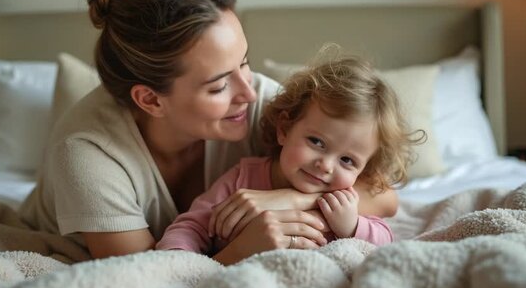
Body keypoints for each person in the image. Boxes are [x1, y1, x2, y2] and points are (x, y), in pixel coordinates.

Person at [19, 0, 399, 265]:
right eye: (219, 86)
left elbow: (383, 197)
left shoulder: (262, 105)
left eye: (245, 63)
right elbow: (144, 277)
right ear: (151, 100)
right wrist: (237, 252)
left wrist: (287, 199)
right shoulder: (87, 153)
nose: (248, 92)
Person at [156, 54, 418, 254]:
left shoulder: (345, 200)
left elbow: (386, 238)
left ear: (364, 169)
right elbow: (191, 227)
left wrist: (352, 227)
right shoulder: (241, 181)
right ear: (284, 129)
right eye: (316, 141)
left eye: (347, 160)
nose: (325, 165)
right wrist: (177, 260)